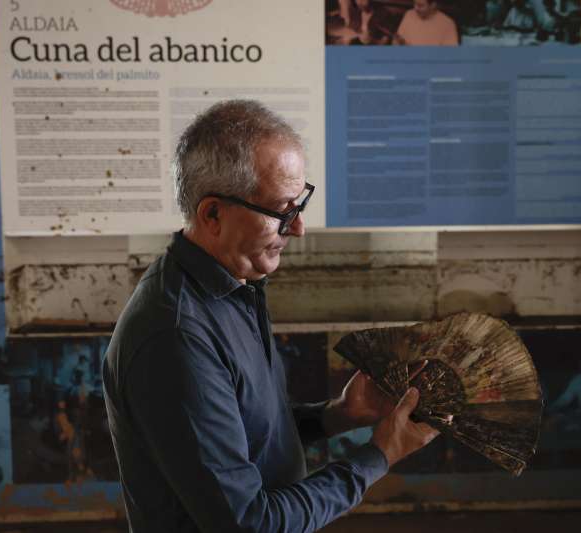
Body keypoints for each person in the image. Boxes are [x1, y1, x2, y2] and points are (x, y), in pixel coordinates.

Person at [102, 100, 439, 532]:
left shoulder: (235, 287)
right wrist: (379, 455)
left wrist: (338, 415)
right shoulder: (176, 336)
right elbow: (250, 524)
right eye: (282, 210)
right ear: (213, 214)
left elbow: (243, 440)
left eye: (298, 205)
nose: (297, 228)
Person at [394, 0, 459, 46]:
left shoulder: (448, 24)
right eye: (414, 3)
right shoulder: (409, 14)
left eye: (420, 5)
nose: (415, 8)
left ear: (433, 5)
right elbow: (396, 42)